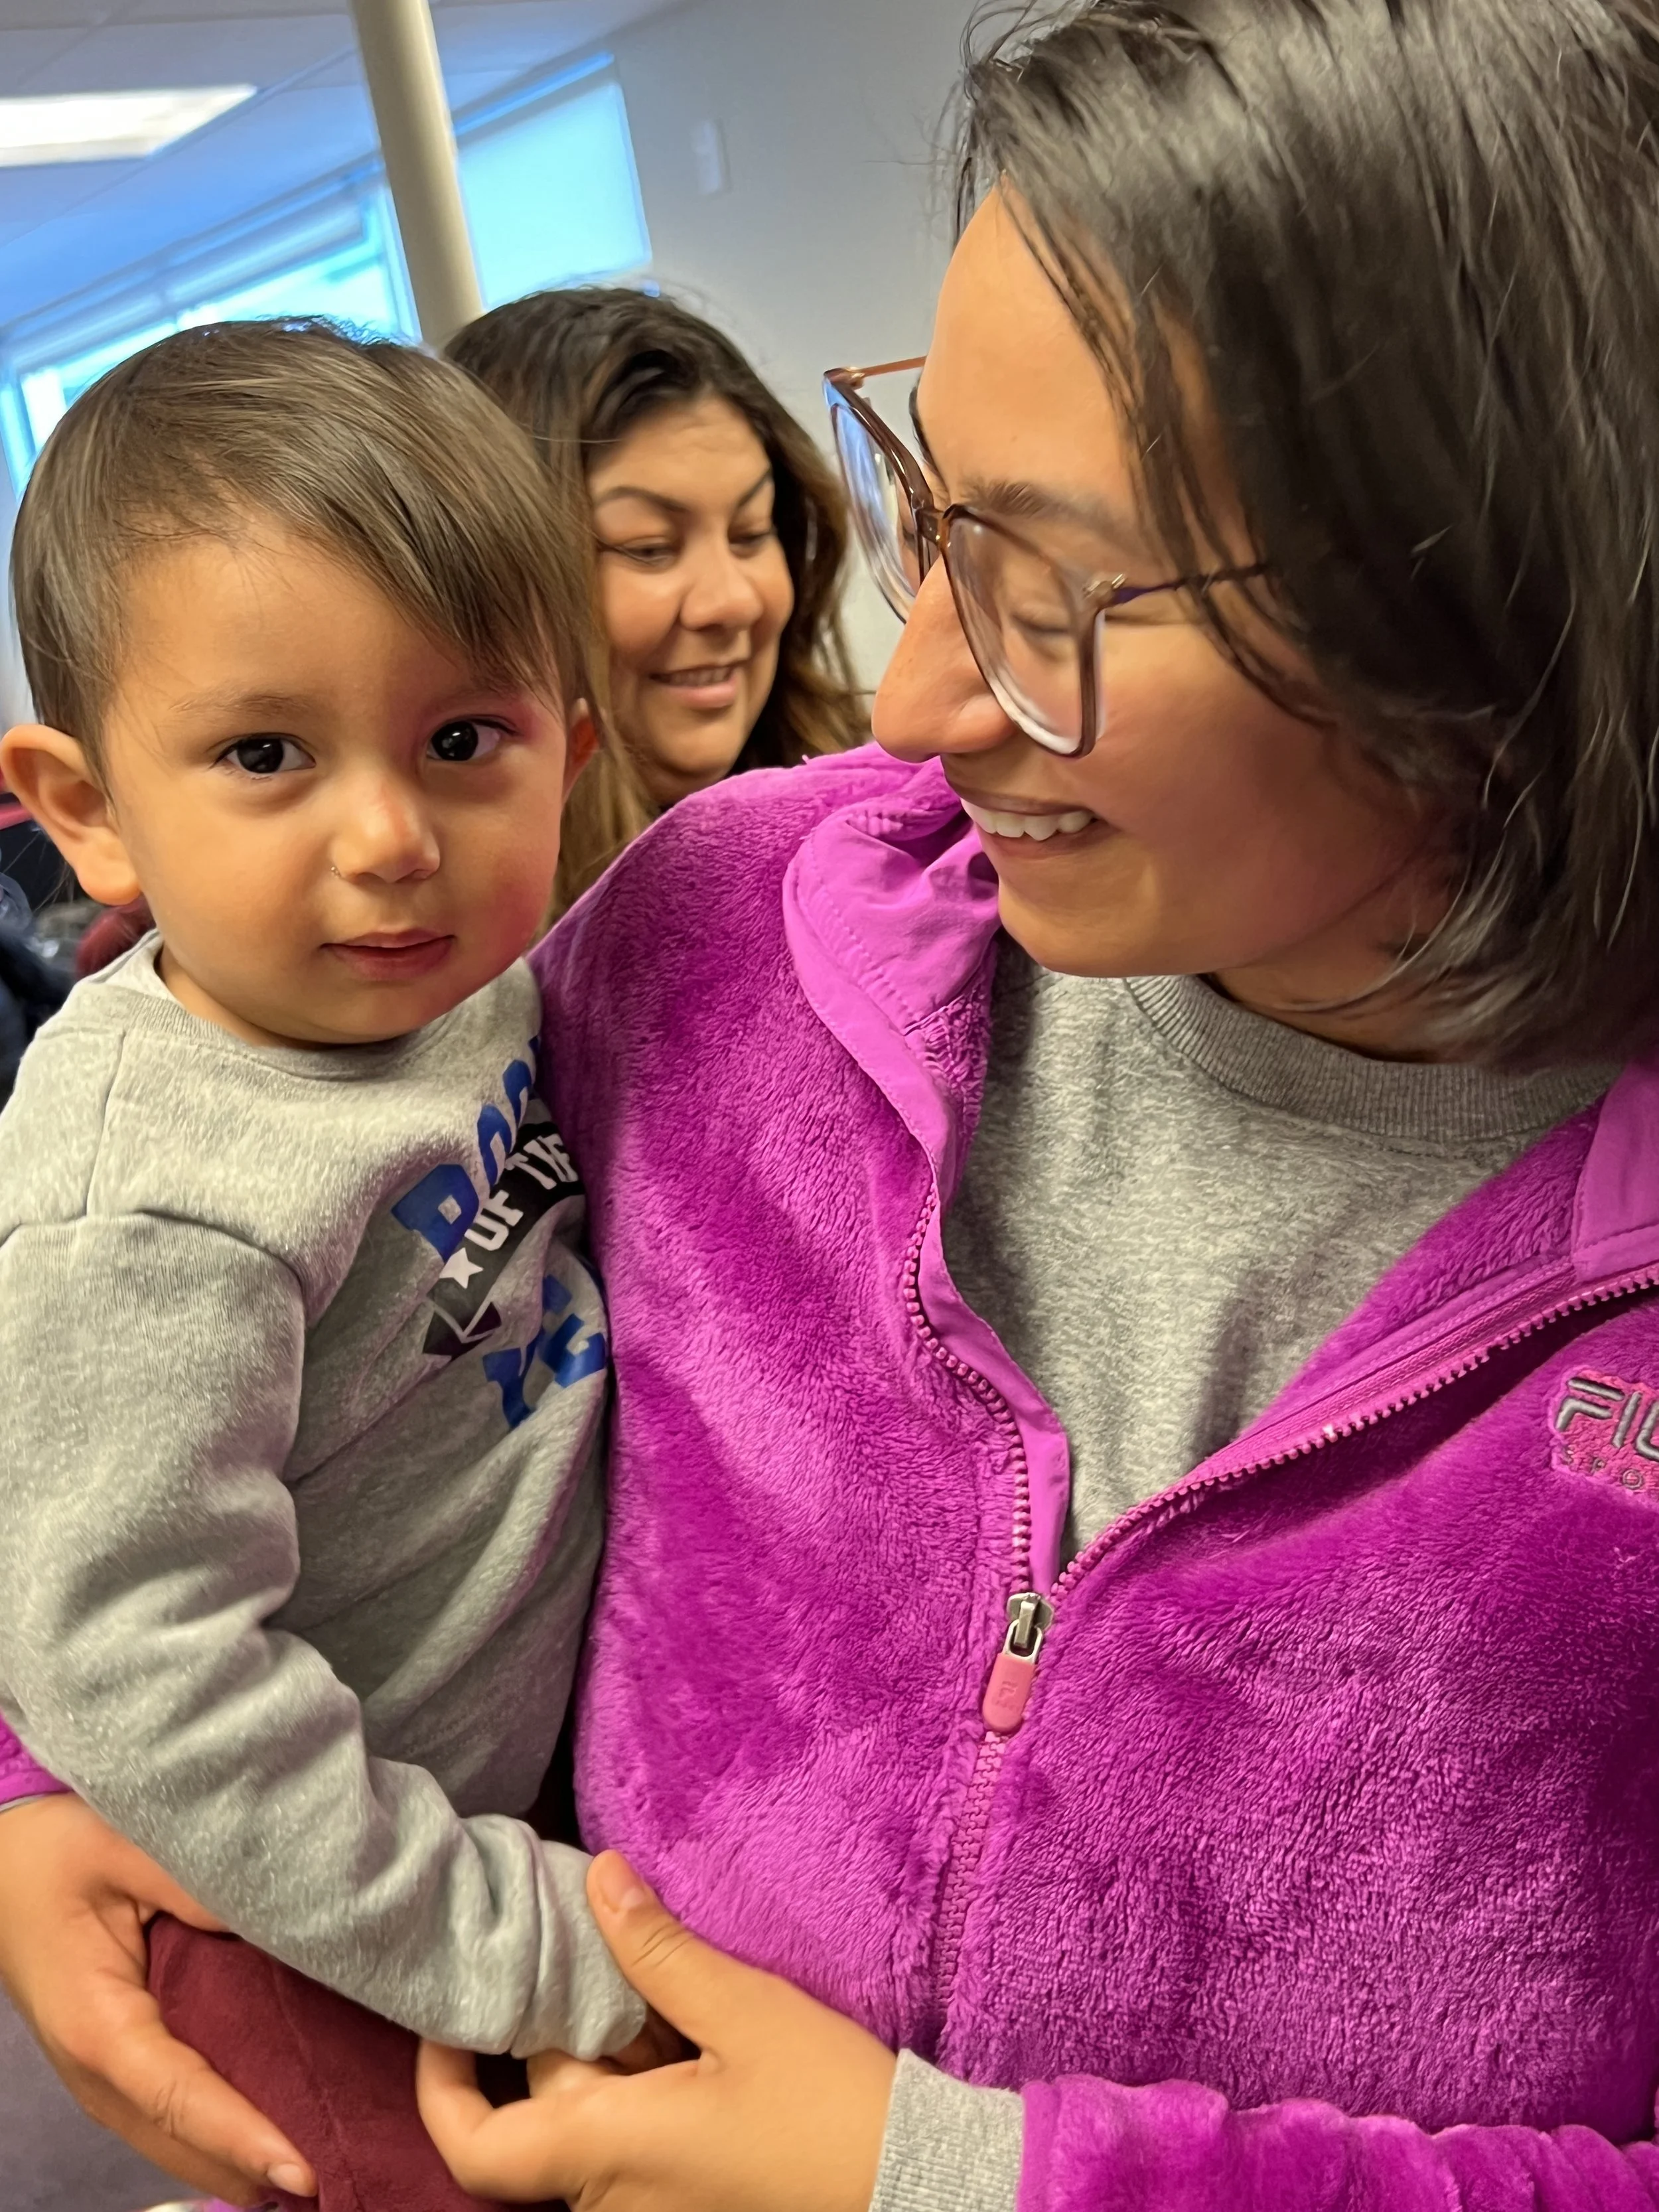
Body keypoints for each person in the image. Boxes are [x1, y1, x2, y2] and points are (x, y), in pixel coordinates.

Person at [7, 3, 1659, 2209]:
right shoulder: (736, 928)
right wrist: (47, 1780)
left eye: (1065, 591)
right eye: (928, 515)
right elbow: (192, 1388)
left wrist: (961, 2175)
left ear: (1519, 593)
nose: (909, 695)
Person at [0, 319, 669, 2210]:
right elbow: (134, 1659)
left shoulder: (468, 996)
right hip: (303, 1908)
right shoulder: (151, 1189)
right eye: (265, 754)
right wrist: (520, 1939)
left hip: (487, 1791)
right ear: (86, 806)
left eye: (464, 740)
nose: (386, 837)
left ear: (570, 745)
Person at [447, 285, 865, 913]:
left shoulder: (883, 837)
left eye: (751, 533)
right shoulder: (443, 955)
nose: (730, 603)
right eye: (648, 547)